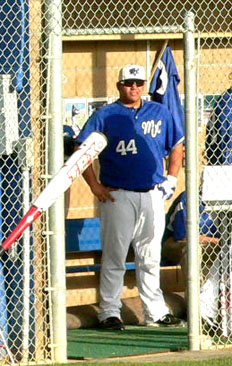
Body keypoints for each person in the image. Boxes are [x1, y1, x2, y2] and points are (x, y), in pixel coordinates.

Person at [77, 64, 185, 330]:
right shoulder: (105, 115)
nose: (133, 87)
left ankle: (155, 311)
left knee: (150, 256)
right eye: (128, 83)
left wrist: (172, 178)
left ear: (144, 85)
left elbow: (177, 145)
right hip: (118, 195)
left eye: (138, 83)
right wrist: (94, 186)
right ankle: (109, 312)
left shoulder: (159, 112)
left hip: (152, 194)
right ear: (119, 85)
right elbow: (83, 150)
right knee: (115, 257)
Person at [162, 190, 223, 328]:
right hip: (176, 244)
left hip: (214, 244)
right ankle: (196, 311)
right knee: (192, 248)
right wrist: (220, 241)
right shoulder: (189, 197)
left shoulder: (225, 198)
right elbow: (184, 236)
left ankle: (218, 310)